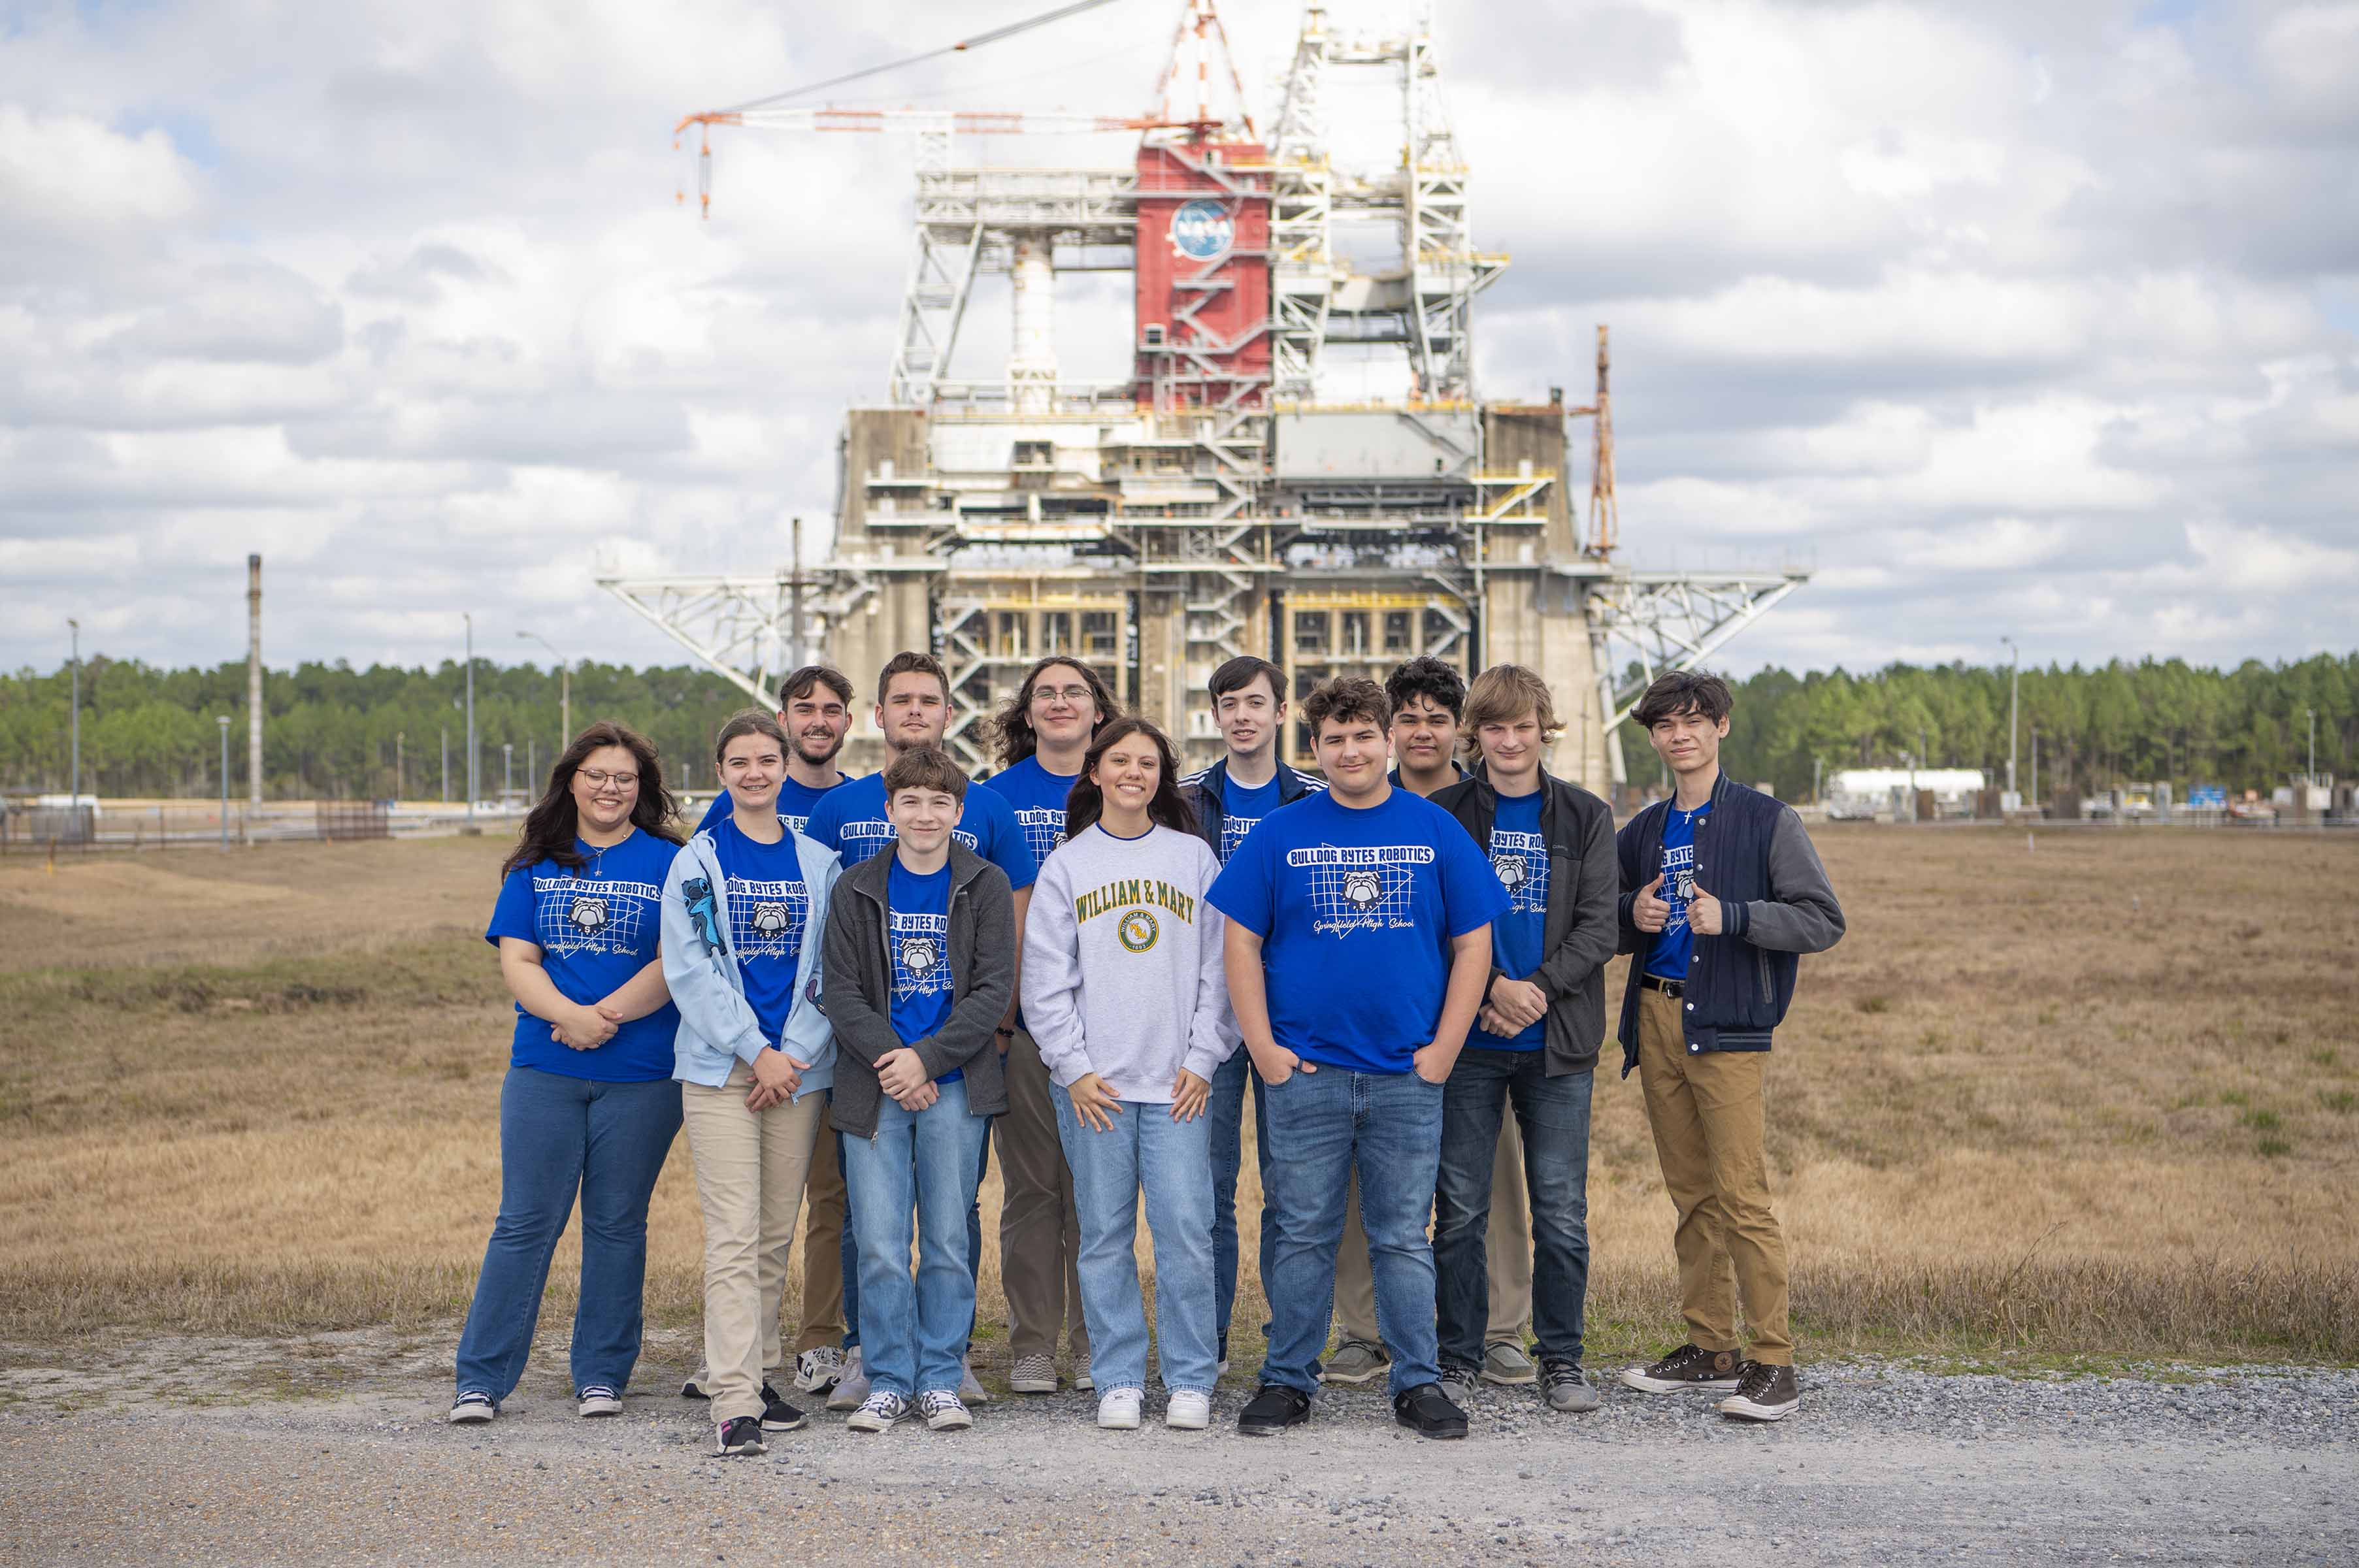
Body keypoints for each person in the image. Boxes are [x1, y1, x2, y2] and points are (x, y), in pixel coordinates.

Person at [1210, 677, 1506, 1439]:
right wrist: (1264, 1049)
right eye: (1334, 739)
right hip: (1304, 1072)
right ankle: (1287, 1379)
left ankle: (1417, 1383)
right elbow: (1239, 940)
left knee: (1402, 1233)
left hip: (1407, 1074)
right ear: (1315, 749)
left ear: (1387, 743)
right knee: (1302, 1228)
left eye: (1364, 736)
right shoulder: (1281, 831)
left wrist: (1445, 1049)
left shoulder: (1435, 829)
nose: (1351, 751)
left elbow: (1474, 942)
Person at [1613, 670, 1844, 1423]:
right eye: (1664, 726)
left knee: (1742, 1197)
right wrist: (1631, 910)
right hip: (1655, 1019)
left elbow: (1820, 920)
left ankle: (1772, 1362)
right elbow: (1603, 914)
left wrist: (1738, 917)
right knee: (1691, 1196)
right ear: (1651, 738)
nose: (1678, 735)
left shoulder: (1767, 821)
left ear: (1720, 728)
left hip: (1727, 1029)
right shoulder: (1645, 829)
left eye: (1692, 721)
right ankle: (1710, 1349)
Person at [804, 651, 1032, 1411]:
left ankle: (940, 1376)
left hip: (957, 1085)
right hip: (872, 1086)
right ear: (890, 809)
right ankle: (887, 1377)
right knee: (876, 1240)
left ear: (958, 812)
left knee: (945, 1240)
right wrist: (890, 1061)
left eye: (941, 803)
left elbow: (993, 987)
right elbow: (841, 990)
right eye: (912, 803)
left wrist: (927, 1058)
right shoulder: (857, 886)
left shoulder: (984, 883)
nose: (926, 815)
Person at [451, 723, 685, 1428]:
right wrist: (572, 1018)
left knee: (617, 1225)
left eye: (624, 778)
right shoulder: (535, 865)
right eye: (597, 776)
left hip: (643, 1073)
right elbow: (519, 962)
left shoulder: (672, 863)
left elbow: (679, 962)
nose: (610, 788)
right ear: (572, 783)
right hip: (544, 1066)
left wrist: (605, 1015)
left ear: (641, 789)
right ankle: (481, 1381)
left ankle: (602, 1375)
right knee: (524, 1223)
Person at [1323, 655, 1540, 1392]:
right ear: (1387, 730)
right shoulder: (1355, 803)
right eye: (1407, 718)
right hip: (1381, 1033)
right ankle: (1363, 1331)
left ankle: (1500, 1329)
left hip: (1480, 1034)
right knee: (1366, 1185)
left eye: (1437, 720)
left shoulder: (1486, 809)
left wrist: (1496, 994)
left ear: (1461, 732)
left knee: (1488, 1185)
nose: (1421, 732)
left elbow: (1490, 928)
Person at [1023, 718, 1235, 1431]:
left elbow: (1220, 972)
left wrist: (1203, 1058)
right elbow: (1044, 980)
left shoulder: (1193, 860)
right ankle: (1117, 1374)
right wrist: (1073, 1067)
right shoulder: (1068, 865)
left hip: (1178, 1086)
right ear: (1096, 773)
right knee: (1104, 1235)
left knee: (1184, 1232)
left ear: (1161, 777)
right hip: (1096, 1090)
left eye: (1147, 763)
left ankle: (1189, 1377)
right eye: (1120, 761)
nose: (1133, 773)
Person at [1430, 665, 1619, 1414]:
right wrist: (1488, 992)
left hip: (1557, 1040)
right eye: (1495, 728)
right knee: (1461, 1209)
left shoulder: (1585, 815)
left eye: (1522, 727)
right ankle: (1458, 1358)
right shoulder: (1444, 815)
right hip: (1472, 1038)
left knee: (1561, 1212)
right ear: (1474, 735)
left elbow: (1600, 924)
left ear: (1545, 728)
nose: (1509, 742)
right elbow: (1429, 921)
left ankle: (1562, 1360)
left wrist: (1533, 989)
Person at [661, 709, 842, 1458]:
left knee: (773, 1234)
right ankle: (732, 1400)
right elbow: (692, 970)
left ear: (783, 765)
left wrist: (788, 1054)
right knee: (734, 1235)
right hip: (719, 1072)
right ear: (722, 772)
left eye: (768, 760)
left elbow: (834, 970)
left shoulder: (818, 863)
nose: (756, 773)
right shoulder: (697, 863)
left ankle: (757, 1367)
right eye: (741, 762)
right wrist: (751, 1051)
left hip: (796, 1073)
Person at [976, 655, 1121, 1395]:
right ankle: (1033, 1344)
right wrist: (999, 1020)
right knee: (1034, 1188)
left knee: (1101, 1193)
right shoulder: (990, 799)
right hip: (1025, 1025)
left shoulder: (1124, 785)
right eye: (1045, 694)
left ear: (1100, 710)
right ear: (1025, 715)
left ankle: (1102, 1341)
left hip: (1116, 1025)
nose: (1061, 703)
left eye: (1076, 692)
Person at [1177, 655, 1323, 1375]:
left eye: (1255, 703)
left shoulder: (1315, 798)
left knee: (1292, 1194)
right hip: (1206, 1018)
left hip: (1292, 1018)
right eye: (1229, 703)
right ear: (1215, 716)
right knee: (1206, 1192)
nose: (1242, 715)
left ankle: (1288, 1349)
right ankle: (1205, 1348)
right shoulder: (1183, 800)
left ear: (1279, 713)